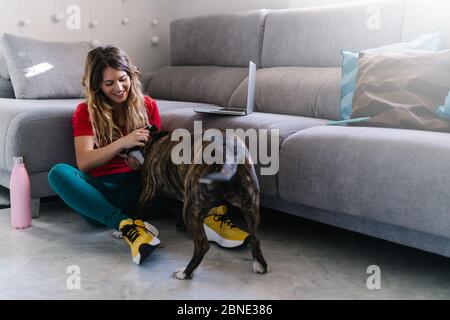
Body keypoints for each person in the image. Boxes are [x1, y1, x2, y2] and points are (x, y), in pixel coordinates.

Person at [48, 45, 249, 266]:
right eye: (109, 83)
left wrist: (144, 165)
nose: (119, 88)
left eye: (123, 79)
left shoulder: (147, 106)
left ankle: (207, 218)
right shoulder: (85, 112)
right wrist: (123, 142)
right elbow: (85, 162)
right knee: (58, 173)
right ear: (97, 85)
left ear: (131, 76)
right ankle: (128, 227)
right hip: (102, 196)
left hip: (142, 190)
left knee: (185, 157)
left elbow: (158, 157)